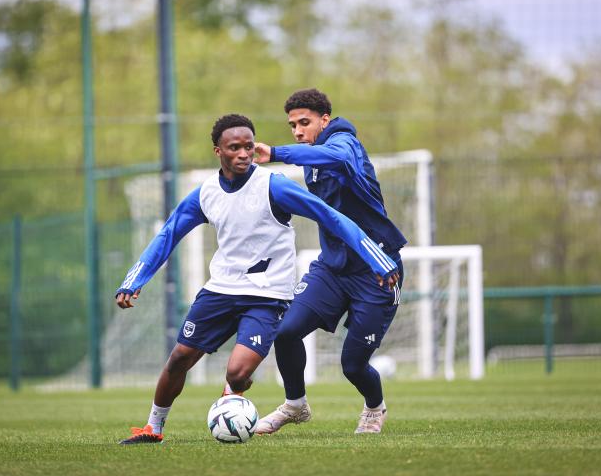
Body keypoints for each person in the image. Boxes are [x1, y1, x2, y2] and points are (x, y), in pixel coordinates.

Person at [116, 113, 399, 444]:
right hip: (220, 290)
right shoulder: (205, 193)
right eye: (234, 147)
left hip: (266, 296)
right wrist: (132, 281)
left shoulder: (273, 186)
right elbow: (167, 236)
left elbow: (332, 217)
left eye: (248, 146)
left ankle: (241, 396)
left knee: (237, 372)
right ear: (217, 151)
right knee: (179, 358)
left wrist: (375, 257)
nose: (243, 153)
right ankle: (154, 427)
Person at [254, 88, 407, 435]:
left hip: (376, 269)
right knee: (287, 331)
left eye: (304, 122)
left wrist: (277, 153)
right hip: (333, 269)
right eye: (292, 125)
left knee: (352, 365)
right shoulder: (312, 157)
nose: (297, 131)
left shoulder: (344, 143)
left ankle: (374, 407)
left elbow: (336, 159)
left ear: (325, 120)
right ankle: (295, 405)